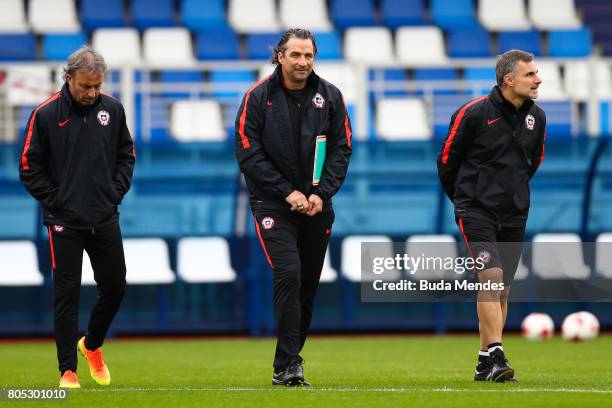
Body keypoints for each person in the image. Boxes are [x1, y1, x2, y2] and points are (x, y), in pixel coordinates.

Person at [235, 28, 352, 386]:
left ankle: (287, 363)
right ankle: (289, 365)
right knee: (288, 273)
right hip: (273, 204)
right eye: (296, 55)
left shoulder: (330, 96)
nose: (303, 62)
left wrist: (321, 194)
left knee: (307, 288)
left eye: (309, 55)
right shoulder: (257, 98)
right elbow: (247, 151)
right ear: (280, 57)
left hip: (318, 206)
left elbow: (341, 149)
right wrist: (288, 192)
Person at [19, 46, 135, 388]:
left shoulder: (113, 110)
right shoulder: (45, 114)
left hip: (104, 215)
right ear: (68, 78)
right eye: (86, 86)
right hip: (63, 221)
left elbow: (126, 156)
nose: (92, 93)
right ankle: (67, 370)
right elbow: (28, 166)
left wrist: (113, 193)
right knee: (66, 294)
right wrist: (57, 201)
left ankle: (92, 344)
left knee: (115, 288)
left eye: (97, 86)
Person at [437, 49, 546, 382]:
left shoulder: (537, 117)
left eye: (537, 73)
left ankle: (485, 362)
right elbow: (446, 162)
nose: (538, 79)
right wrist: (466, 199)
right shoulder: (472, 113)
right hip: (475, 210)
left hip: (514, 211)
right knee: (491, 279)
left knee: (503, 290)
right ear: (508, 79)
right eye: (530, 75)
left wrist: (513, 193)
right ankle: (497, 353)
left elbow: (534, 161)